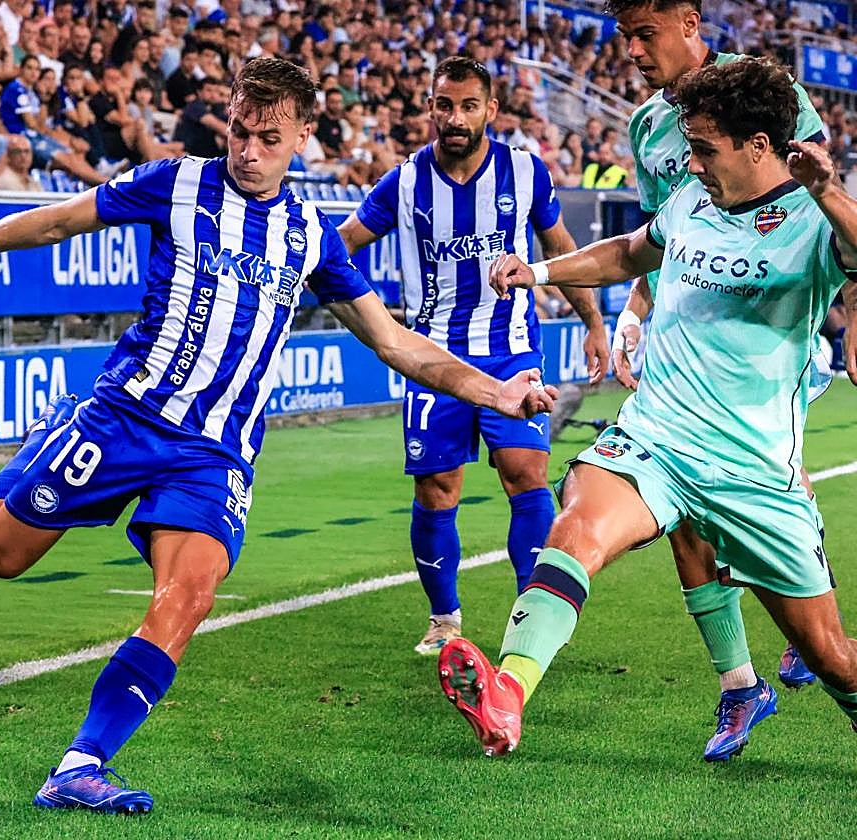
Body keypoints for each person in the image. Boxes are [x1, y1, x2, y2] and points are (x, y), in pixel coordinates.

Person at [0, 56, 558, 815]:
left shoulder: (313, 237)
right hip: (126, 417)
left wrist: (499, 391)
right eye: (238, 131)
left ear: (302, 134)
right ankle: (51, 432)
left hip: (214, 453)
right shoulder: (178, 181)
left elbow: (396, 343)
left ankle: (79, 764)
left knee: (190, 594)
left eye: (267, 137)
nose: (248, 150)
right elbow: (62, 219)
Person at [438, 57, 857, 759]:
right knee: (577, 527)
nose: (688, 163)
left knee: (833, 658)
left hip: (753, 470)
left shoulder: (813, 223)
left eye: (703, 149)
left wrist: (830, 190)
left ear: (759, 147)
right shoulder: (691, 199)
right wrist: (537, 271)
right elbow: (631, 252)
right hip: (656, 440)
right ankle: (508, 693)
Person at [606, 0, 849, 761]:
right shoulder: (650, 127)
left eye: (645, 33)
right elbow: (663, 237)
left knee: (757, 477)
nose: (635, 51)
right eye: (625, 38)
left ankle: (804, 619)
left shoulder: (764, 96)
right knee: (681, 510)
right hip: (692, 325)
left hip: (770, 334)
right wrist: (633, 313)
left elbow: (817, 213)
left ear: (687, 21)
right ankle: (742, 684)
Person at [338, 57, 609, 656]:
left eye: (467, 106)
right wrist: (364, 307)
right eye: (444, 105)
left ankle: (531, 617)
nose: (454, 118)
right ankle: (444, 619)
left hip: (512, 350)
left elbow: (559, 248)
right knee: (437, 489)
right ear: (430, 108)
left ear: (490, 109)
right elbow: (341, 245)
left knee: (526, 474)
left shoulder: (524, 172)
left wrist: (593, 320)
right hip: (431, 357)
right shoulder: (404, 182)